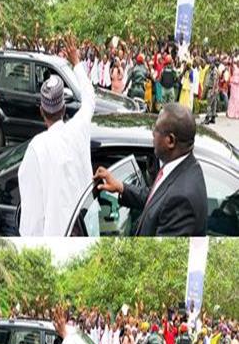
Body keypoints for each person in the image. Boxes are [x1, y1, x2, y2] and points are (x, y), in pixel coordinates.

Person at [94, 103, 208, 236]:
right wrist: (120, 187)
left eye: (156, 129)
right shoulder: (182, 165)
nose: (153, 134)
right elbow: (155, 198)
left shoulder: (181, 200)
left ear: (170, 141)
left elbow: (161, 255)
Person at [19, 38, 94, 236]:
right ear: (63, 107)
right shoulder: (79, 128)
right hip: (87, 229)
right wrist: (77, 63)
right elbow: (89, 99)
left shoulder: (37, 148)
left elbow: (32, 219)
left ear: (41, 110)